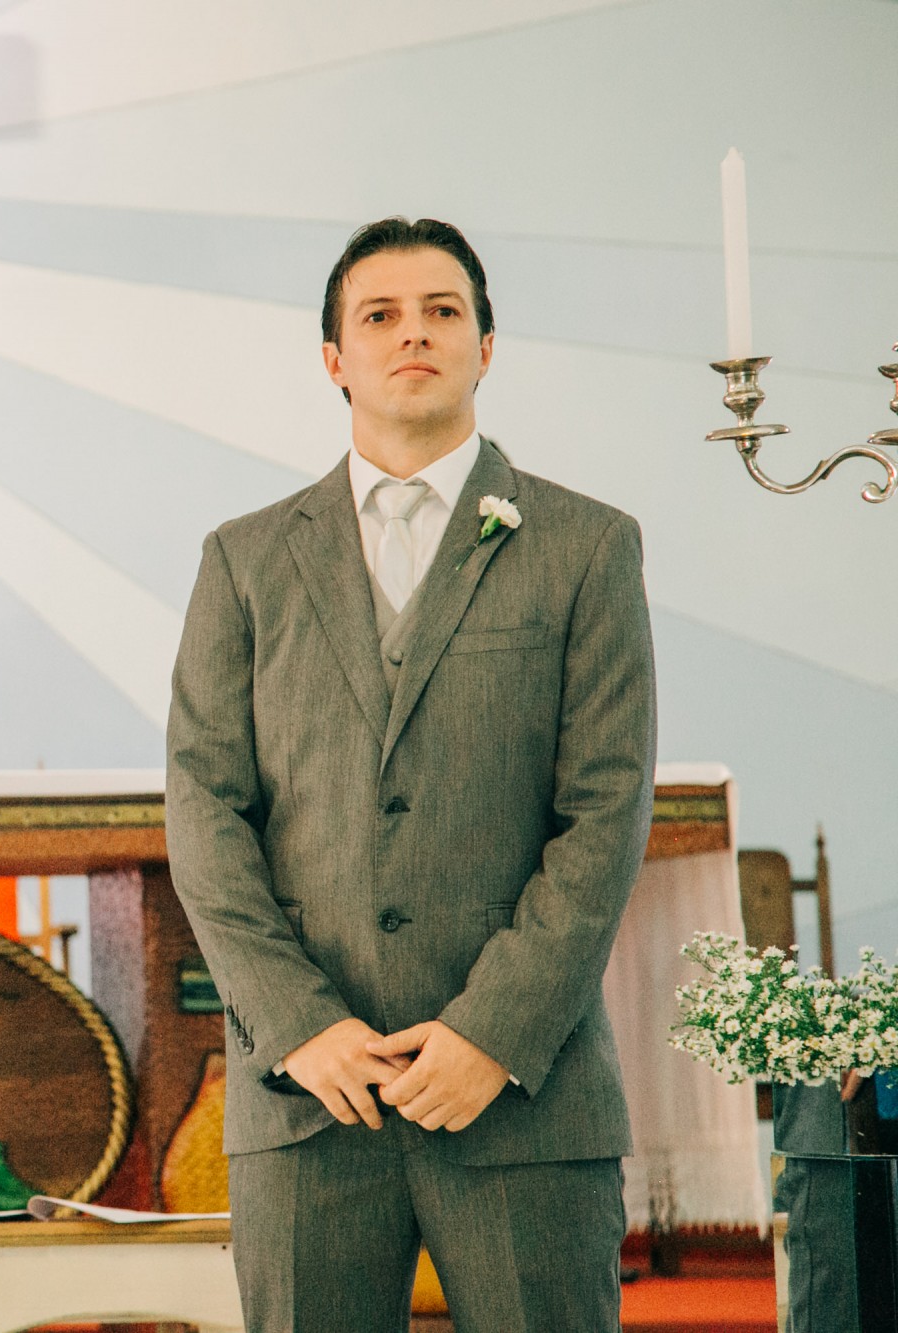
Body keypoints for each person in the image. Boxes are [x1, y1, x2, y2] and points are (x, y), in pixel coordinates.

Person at [166, 217, 656, 1331]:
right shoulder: (244, 559)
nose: (413, 335)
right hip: (307, 1099)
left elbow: (600, 814)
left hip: (520, 1096)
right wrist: (298, 1025)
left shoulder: (585, 546)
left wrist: (492, 1031)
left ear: (487, 344)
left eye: (442, 311)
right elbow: (203, 814)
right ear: (333, 359)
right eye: (377, 316)